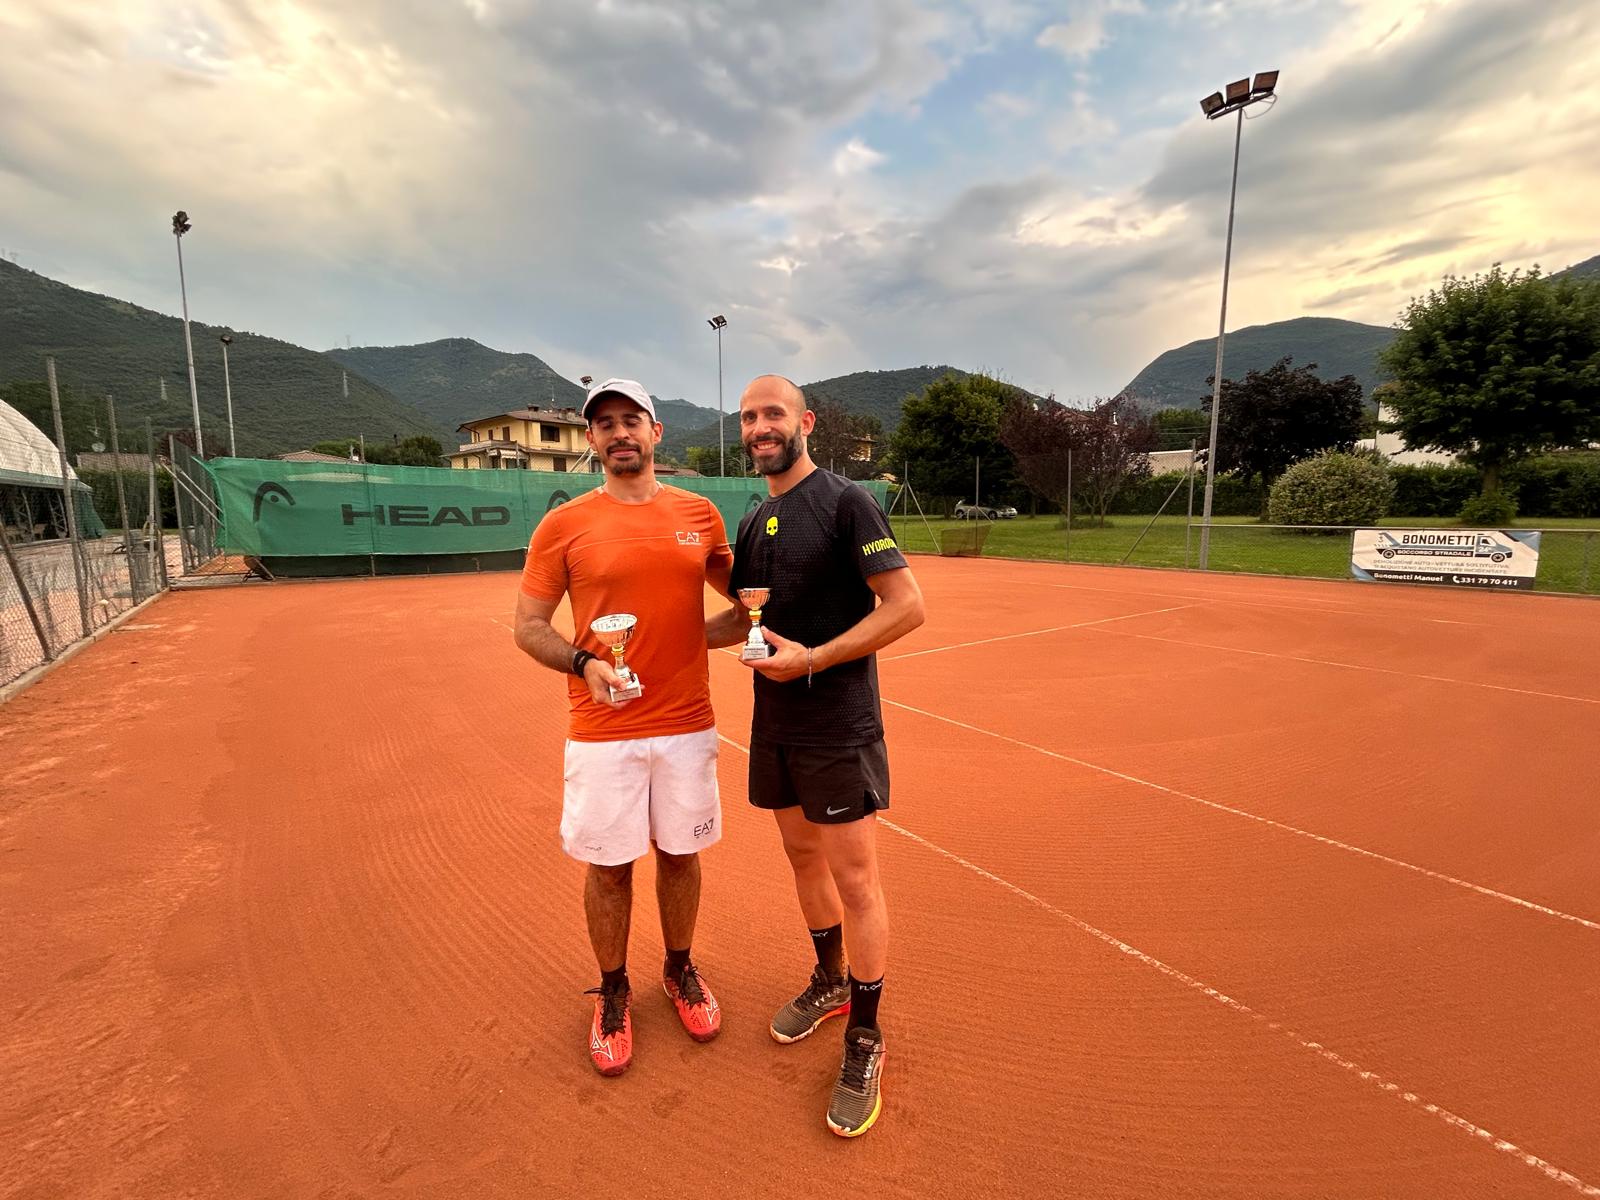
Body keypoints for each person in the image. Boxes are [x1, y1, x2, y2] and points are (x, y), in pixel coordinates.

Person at [709, 374, 925, 1137]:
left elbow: (907, 606)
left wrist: (815, 660)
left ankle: (866, 1033)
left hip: (837, 721)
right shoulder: (756, 514)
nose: (760, 426)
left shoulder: (845, 500)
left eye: (773, 414)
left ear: (804, 422)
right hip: (776, 723)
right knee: (803, 861)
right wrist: (654, 640)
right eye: (748, 417)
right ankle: (830, 981)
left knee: (856, 879)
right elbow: (745, 622)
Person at [515, 377, 731, 1077]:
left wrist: (708, 638)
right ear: (591, 441)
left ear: (656, 431)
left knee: (679, 856)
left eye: (630, 419)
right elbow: (527, 627)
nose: (619, 432)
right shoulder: (564, 524)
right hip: (603, 729)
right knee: (609, 871)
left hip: (687, 724)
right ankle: (612, 991)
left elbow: (753, 600)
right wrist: (584, 663)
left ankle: (679, 969)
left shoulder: (700, 515)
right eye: (603, 423)